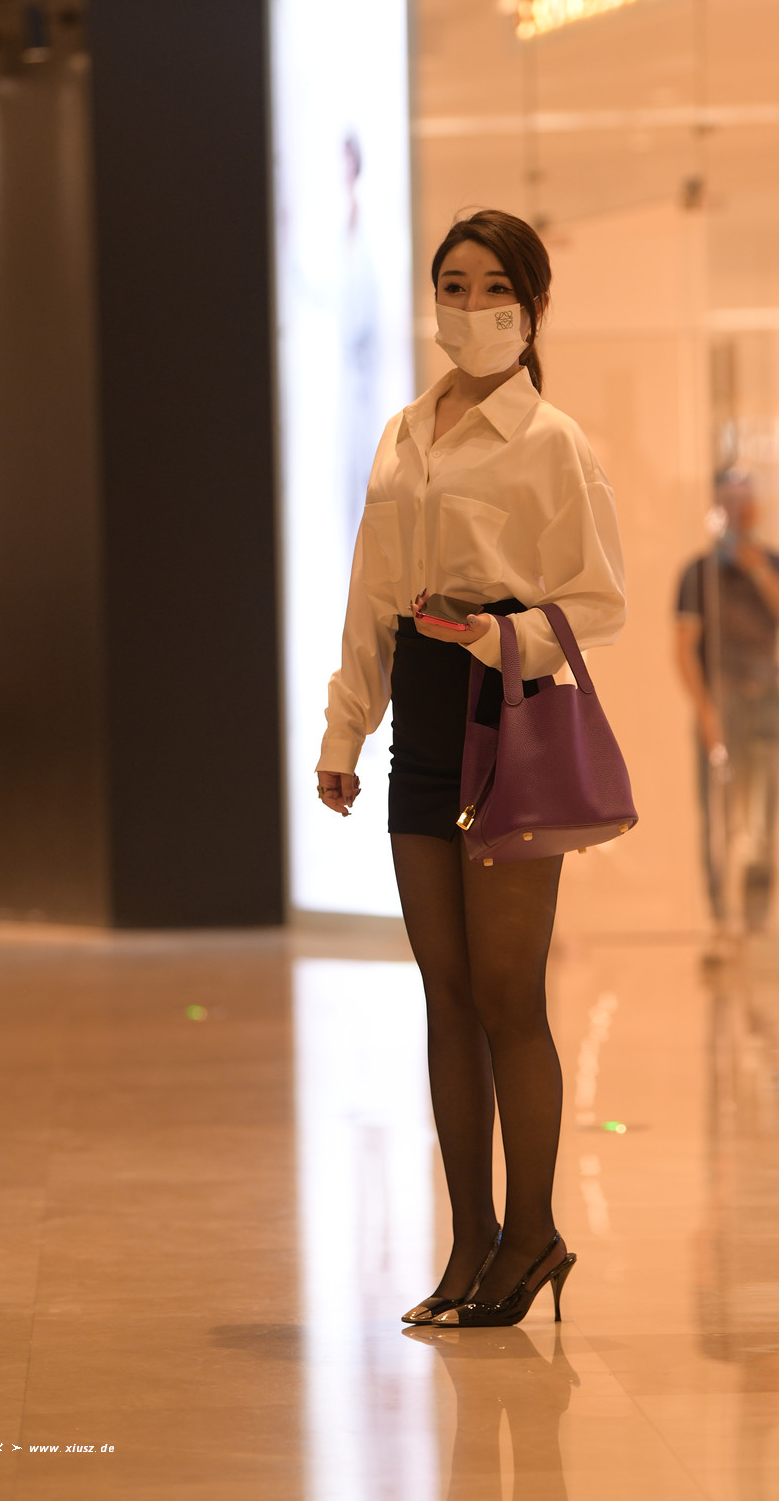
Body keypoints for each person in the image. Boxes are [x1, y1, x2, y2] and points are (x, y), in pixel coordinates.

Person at [316, 210, 626, 1328]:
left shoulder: (553, 441)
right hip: (423, 719)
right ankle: (472, 1241)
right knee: (443, 995)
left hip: (509, 714)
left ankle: (534, 1233)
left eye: (494, 287)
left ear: (532, 306)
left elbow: (599, 604)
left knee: (506, 994)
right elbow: (371, 597)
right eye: (453, 284)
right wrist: (344, 732)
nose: (470, 305)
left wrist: (496, 636)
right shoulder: (405, 433)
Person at [674, 468, 779, 936]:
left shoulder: (777, 564)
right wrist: (706, 710)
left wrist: (758, 569)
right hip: (722, 699)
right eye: (729, 501)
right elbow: (684, 648)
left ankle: (757, 919)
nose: (739, 510)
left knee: (762, 814)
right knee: (718, 814)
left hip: (766, 698)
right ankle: (719, 917)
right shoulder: (698, 572)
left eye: (745, 500)